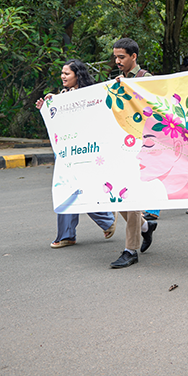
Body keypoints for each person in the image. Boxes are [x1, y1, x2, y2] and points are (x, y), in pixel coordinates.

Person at [35, 59, 118, 247]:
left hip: (87, 151)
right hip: (67, 153)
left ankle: (105, 220)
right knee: (67, 189)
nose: (63, 77)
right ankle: (68, 235)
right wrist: (47, 110)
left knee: (79, 190)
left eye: (67, 74)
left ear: (77, 75)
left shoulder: (90, 96)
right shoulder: (61, 97)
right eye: (62, 73)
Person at [110, 38, 158, 268]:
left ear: (133, 57)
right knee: (118, 197)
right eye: (115, 57)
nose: (117, 61)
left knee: (131, 197)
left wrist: (128, 90)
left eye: (121, 57)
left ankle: (131, 250)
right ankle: (146, 226)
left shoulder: (145, 79)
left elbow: (154, 106)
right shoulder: (115, 80)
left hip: (142, 146)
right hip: (122, 145)